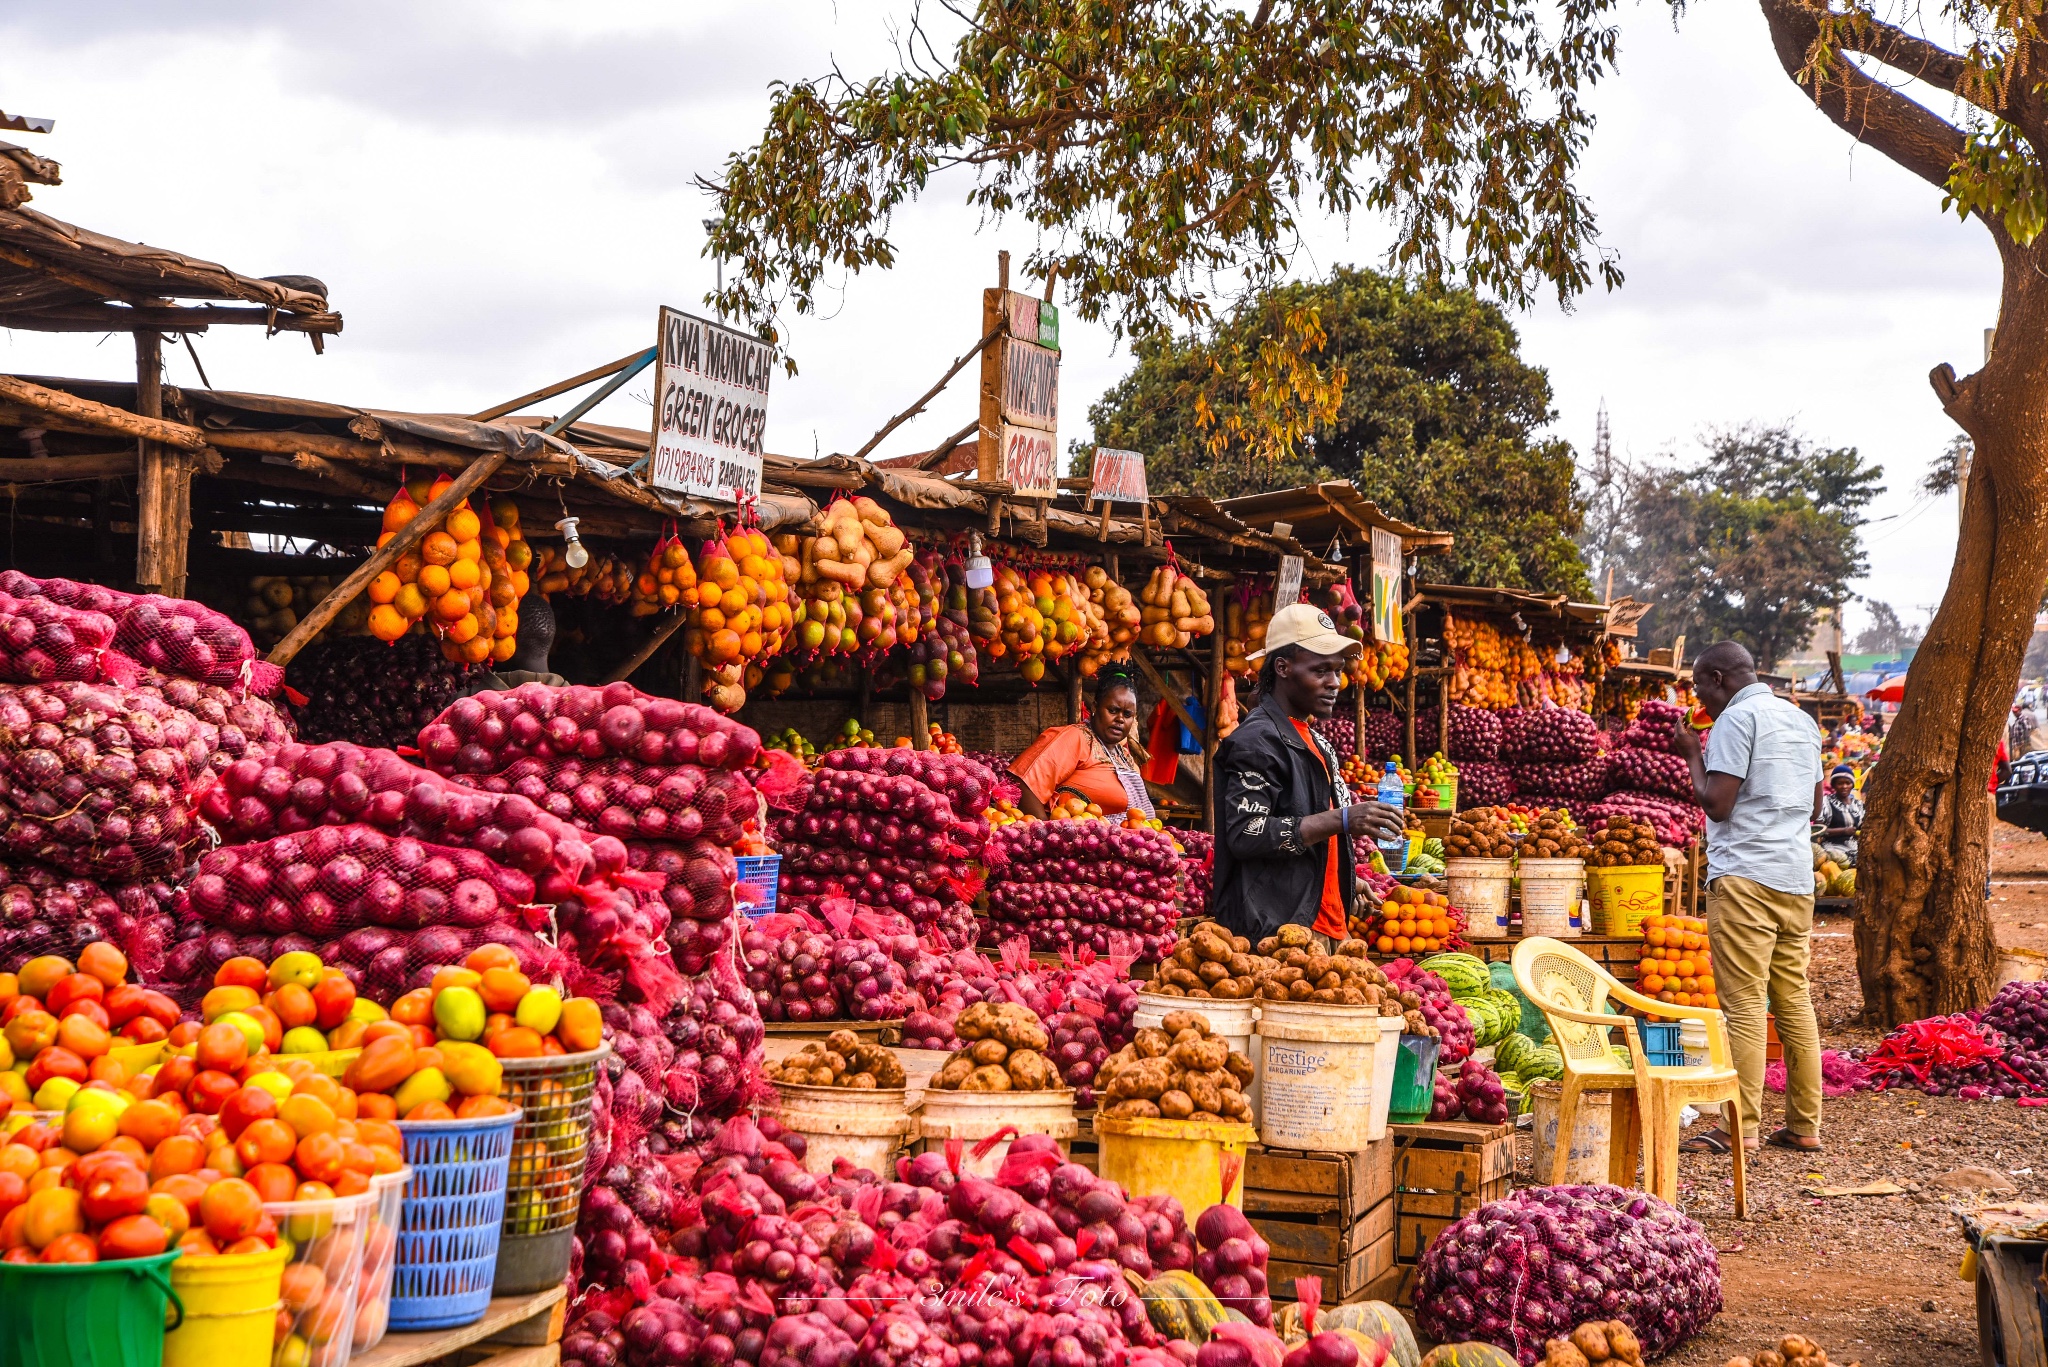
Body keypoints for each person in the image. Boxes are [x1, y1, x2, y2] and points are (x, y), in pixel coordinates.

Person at [1670, 640, 1824, 1155]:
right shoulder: (1800, 721)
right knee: (1794, 999)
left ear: (1717, 678)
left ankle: (1743, 1128)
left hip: (1745, 878)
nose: (1700, 699)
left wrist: (1693, 754)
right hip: (1795, 877)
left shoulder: (1736, 720)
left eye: (1698, 687)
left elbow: (1716, 804)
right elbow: (1816, 804)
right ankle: (1805, 1124)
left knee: (1745, 1006)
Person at [1211, 603, 1403, 946]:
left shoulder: (1314, 741)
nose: (1335, 683)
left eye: (1338, 670)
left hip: (1321, 928)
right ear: (1283, 668)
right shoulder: (1257, 741)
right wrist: (1343, 819)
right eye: (1321, 671)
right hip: (1278, 937)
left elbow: (1308, 829)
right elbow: (1245, 834)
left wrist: (1342, 878)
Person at [1009, 670, 1154, 819]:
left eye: (1127, 714)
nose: (1120, 719)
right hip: (1076, 839)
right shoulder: (1075, 738)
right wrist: (1046, 834)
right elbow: (1025, 784)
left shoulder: (1124, 756)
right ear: (1095, 707)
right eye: (1113, 710)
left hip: (1123, 840)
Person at [462, 594, 568, 694]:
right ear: (550, 636)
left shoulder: (466, 703)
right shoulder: (577, 704)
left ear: (511, 639)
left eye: (497, 636)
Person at [1816, 765, 1863, 868]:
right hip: (1832, 848)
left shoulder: (1858, 805)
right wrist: (1843, 831)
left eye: (1848, 783)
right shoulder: (1825, 802)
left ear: (1852, 784)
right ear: (1833, 785)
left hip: (1855, 846)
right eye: (1840, 783)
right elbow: (1819, 830)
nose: (1844, 786)